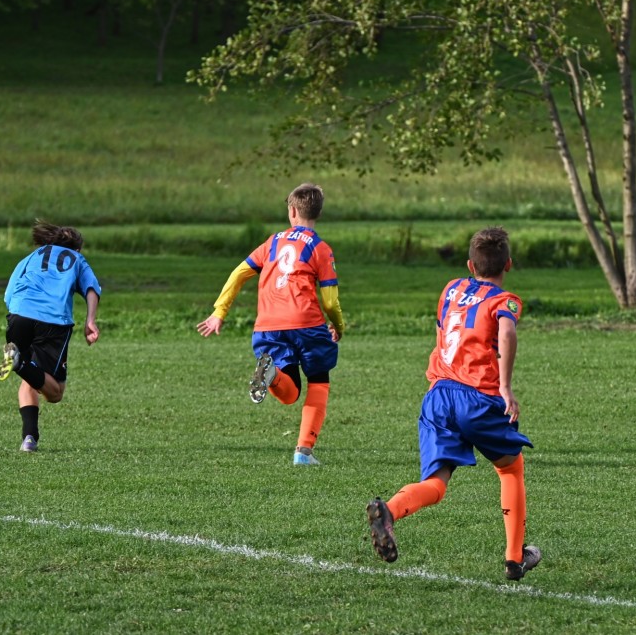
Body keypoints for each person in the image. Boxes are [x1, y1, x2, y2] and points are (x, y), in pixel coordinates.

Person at [366, 226, 541, 581]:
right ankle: (514, 558)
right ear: (508, 264)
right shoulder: (504, 300)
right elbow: (507, 331)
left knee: (436, 483)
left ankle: (390, 511)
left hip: (439, 394)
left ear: (470, 265)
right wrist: (505, 387)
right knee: (510, 468)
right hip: (478, 398)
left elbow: (442, 333)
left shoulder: (451, 288)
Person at [197, 183, 345, 466]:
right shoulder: (321, 248)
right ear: (318, 213)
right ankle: (303, 452)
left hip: (268, 325)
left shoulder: (272, 243)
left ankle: (272, 374)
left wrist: (219, 311)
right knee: (318, 381)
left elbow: (239, 273)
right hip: (307, 323)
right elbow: (329, 301)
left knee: (289, 393)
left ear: (292, 211)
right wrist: (338, 325)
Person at [0, 220, 101, 453]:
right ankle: (19, 363)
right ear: (77, 248)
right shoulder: (77, 258)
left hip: (18, 315)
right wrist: (90, 321)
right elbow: (91, 289)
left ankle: (29, 439)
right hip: (52, 322)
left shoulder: (32, 257)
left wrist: (19, 315)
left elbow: (8, 293)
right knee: (55, 393)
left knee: (32, 379)